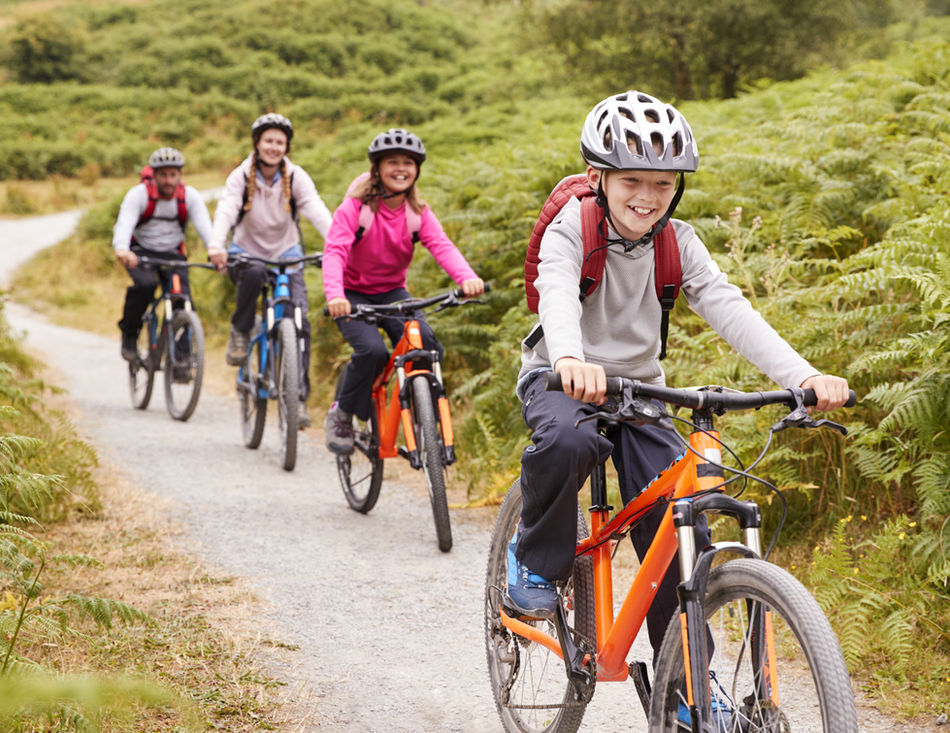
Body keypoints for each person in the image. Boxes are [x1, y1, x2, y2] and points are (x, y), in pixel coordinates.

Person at [508, 91, 850, 722]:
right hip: (561, 378)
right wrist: (570, 357)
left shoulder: (678, 243)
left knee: (678, 520)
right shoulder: (572, 228)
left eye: (662, 184)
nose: (647, 196)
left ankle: (688, 686)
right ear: (598, 177)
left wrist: (803, 375)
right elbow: (554, 290)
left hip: (640, 393)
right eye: (631, 181)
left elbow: (730, 309)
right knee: (569, 441)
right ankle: (531, 558)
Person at [321, 128, 484, 454]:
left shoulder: (417, 213)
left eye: (408, 163)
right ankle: (342, 414)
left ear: (416, 169)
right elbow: (335, 251)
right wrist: (336, 295)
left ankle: (427, 422)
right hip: (351, 294)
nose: (401, 169)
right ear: (377, 168)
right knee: (372, 352)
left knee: (426, 345)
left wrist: (467, 278)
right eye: (392, 162)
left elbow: (442, 246)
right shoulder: (355, 208)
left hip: (393, 291)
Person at [207, 113, 332, 429]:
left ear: (286, 147)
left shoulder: (296, 176)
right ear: (257, 143)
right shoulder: (240, 176)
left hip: (287, 253)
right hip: (246, 251)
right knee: (253, 273)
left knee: (299, 321)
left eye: (280, 142)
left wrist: (337, 244)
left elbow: (315, 209)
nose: (274, 147)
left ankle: (297, 398)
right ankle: (241, 329)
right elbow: (226, 209)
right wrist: (216, 245)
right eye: (269, 141)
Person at [113, 147, 214, 361]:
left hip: (173, 255)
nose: (168, 180)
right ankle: (130, 334)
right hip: (141, 254)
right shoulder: (138, 195)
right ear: (154, 175)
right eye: (163, 175)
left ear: (180, 175)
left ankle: (182, 358)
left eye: (173, 174)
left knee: (183, 300)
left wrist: (216, 250)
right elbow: (124, 224)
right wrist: (122, 249)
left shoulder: (189, 196)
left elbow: (207, 229)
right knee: (145, 286)